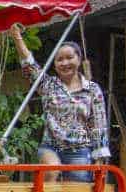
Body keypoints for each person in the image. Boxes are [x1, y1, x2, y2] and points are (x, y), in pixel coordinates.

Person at [7, 23, 110, 181]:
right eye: (59, 59)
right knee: (50, 170)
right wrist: (17, 37)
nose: (65, 63)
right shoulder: (49, 85)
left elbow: (99, 125)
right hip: (51, 146)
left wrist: (100, 157)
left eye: (69, 57)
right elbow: (30, 66)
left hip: (80, 149)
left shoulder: (92, 89)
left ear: (79, 59)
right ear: (54, 64)